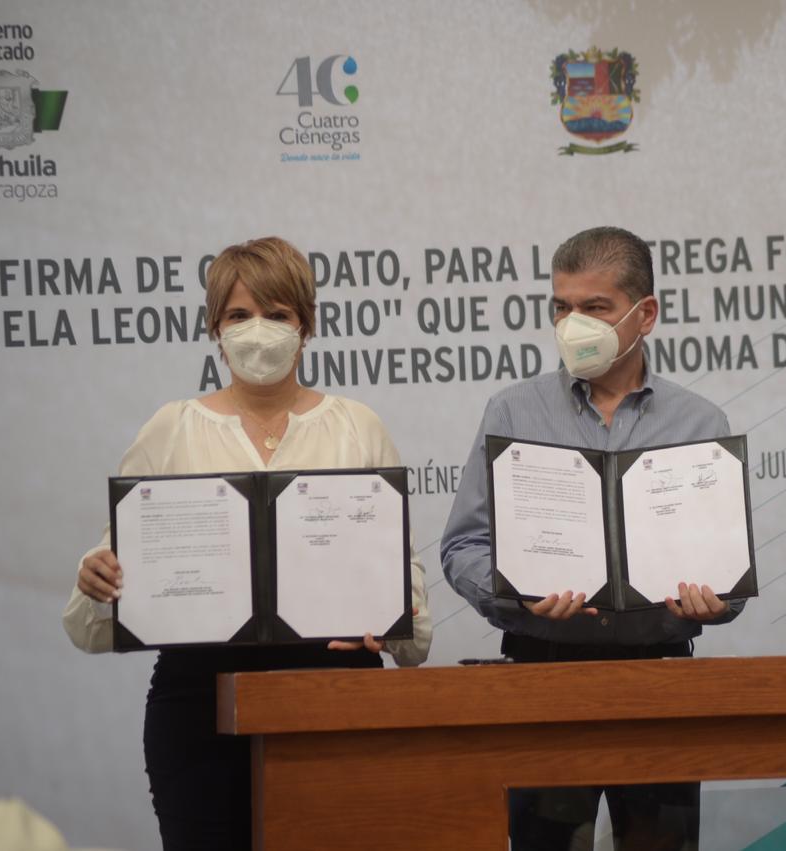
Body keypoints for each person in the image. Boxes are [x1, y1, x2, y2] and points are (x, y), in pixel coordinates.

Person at [63, 236, 432, 851]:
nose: (257, 331)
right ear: (215, 327)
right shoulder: (171, 429)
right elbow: (92, 618)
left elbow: (410, 613)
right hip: (200, 707)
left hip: (337, 693)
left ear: (306, 325)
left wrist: (390, 618)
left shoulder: (357, 426)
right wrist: (97, 578)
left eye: (277, 314)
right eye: (239, 315)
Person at [442, 226, 743, 850]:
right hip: (542, 676)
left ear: (645, 314)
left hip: (660, 680)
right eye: (562, 307)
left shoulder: (700, 422)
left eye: (595, 307)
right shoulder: (512, 412)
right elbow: (463, 546)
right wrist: (513, 592)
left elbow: (730, 578)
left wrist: (716, 600)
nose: (572, 324)